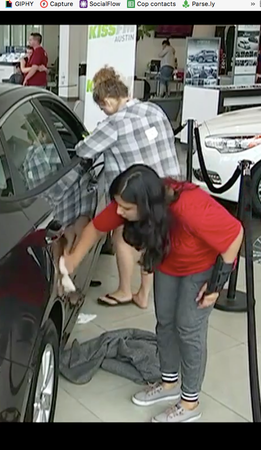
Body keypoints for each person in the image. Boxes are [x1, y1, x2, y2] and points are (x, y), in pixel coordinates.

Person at [62, 165, 243, 422]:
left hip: (201, 267)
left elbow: (235, 234)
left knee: (189, 328)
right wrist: (72, 261)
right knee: (166, 322)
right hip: (169, 262)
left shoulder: (189, 207)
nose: (119, 212)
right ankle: (169, 385)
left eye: (125, 208)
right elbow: (96, 228)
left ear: (146, 205)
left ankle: (190, 402)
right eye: (118, 205)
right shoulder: (132, 202)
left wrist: (216, 285)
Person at [73, 66, 181, 309]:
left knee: (122, 236)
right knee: (150, 236)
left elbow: (84, 150)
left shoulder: (114, 124)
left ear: (109, 100)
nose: (103, 111)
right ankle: (143, 294)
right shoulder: (153, 109)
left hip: (140, 194)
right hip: (170, 189)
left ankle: (124, 290)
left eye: (102, 107)